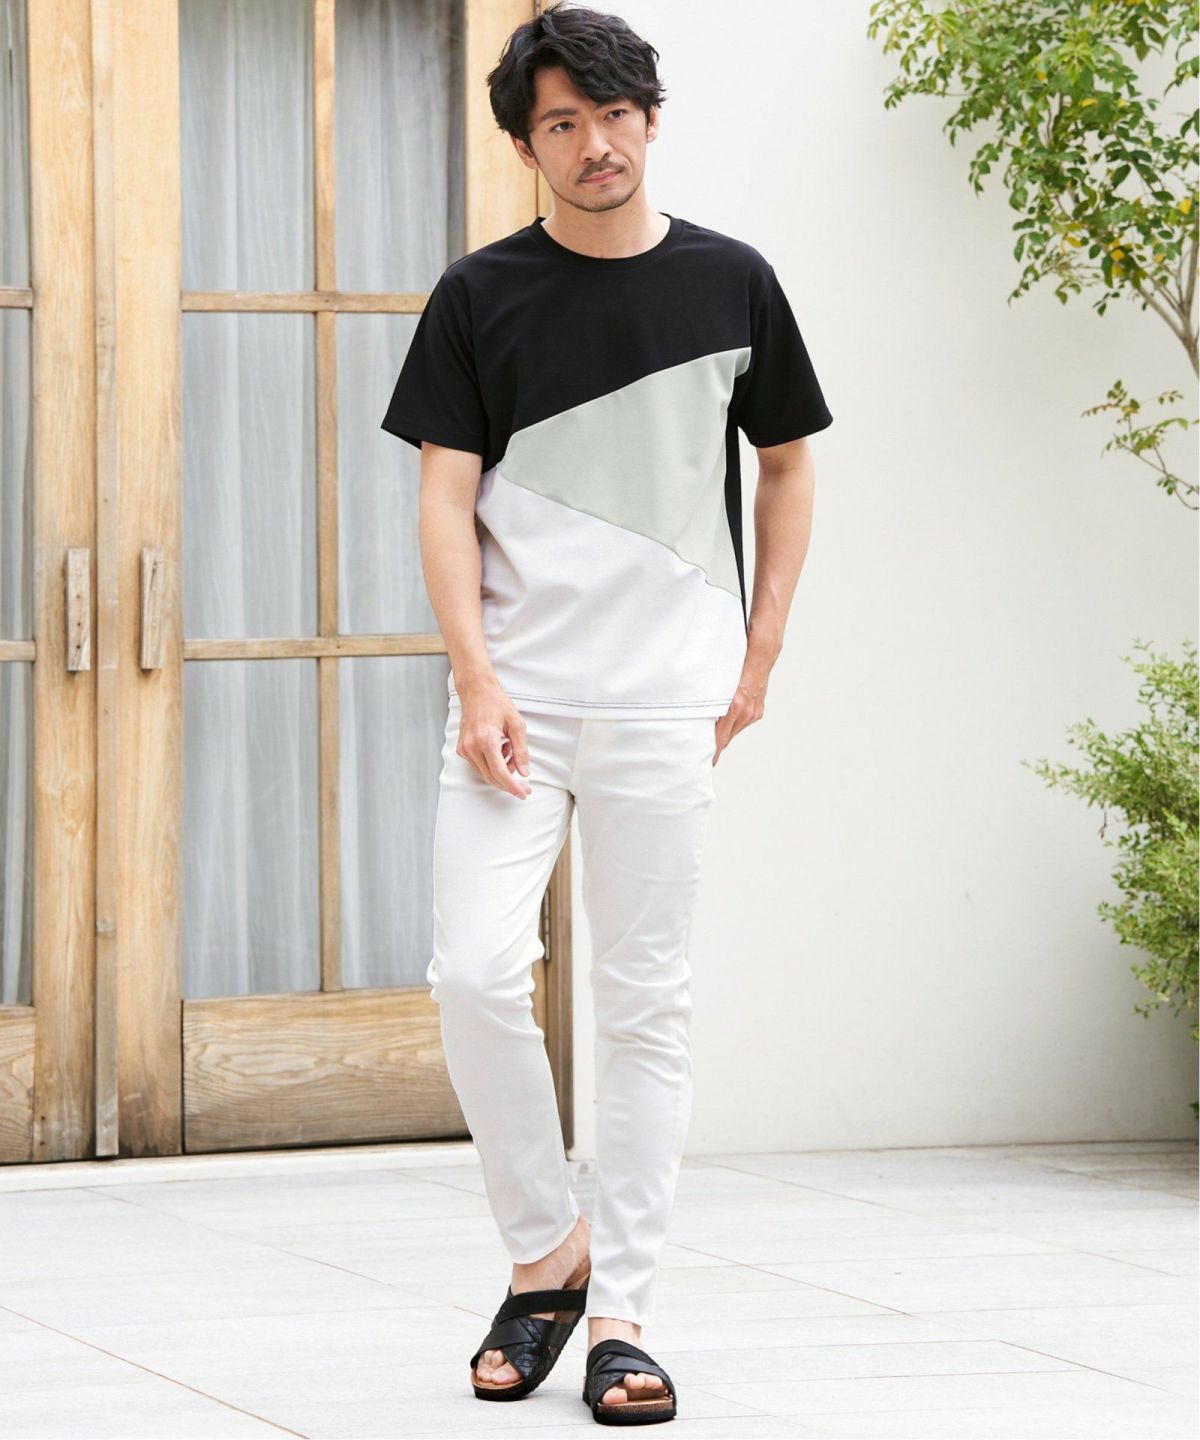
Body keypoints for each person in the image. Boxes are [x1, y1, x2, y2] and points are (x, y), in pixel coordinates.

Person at [380, 3, 831, 1424]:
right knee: (472, 974)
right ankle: (546, 1255)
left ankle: (621, 1314)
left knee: (643, 1007)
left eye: (615, 114)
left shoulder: (733, 282)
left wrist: (759, 654)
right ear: (529, 145)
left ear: (651, 116)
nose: (595, 143)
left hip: (664, 700)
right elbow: (443, 496)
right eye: (562, 123)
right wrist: (475, 677)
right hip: (516, 699)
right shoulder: (478, 294)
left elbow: (787, 463)